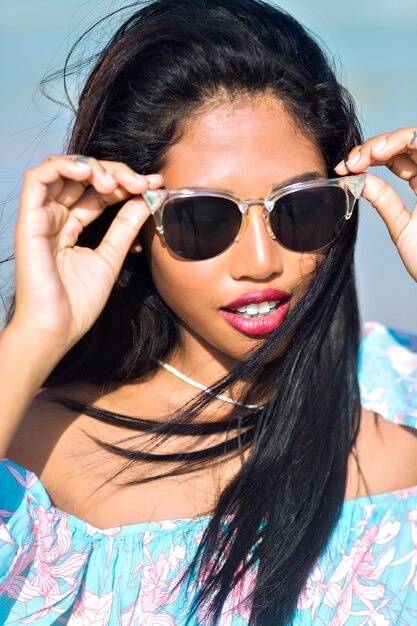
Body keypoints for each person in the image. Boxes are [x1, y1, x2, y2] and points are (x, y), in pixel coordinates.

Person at [0, 0, 416, 623]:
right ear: (134, 223)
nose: (259, 261)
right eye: (204, 218)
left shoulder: (402, 388)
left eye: (300, 209)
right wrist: (33, 336)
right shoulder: (34, 446)